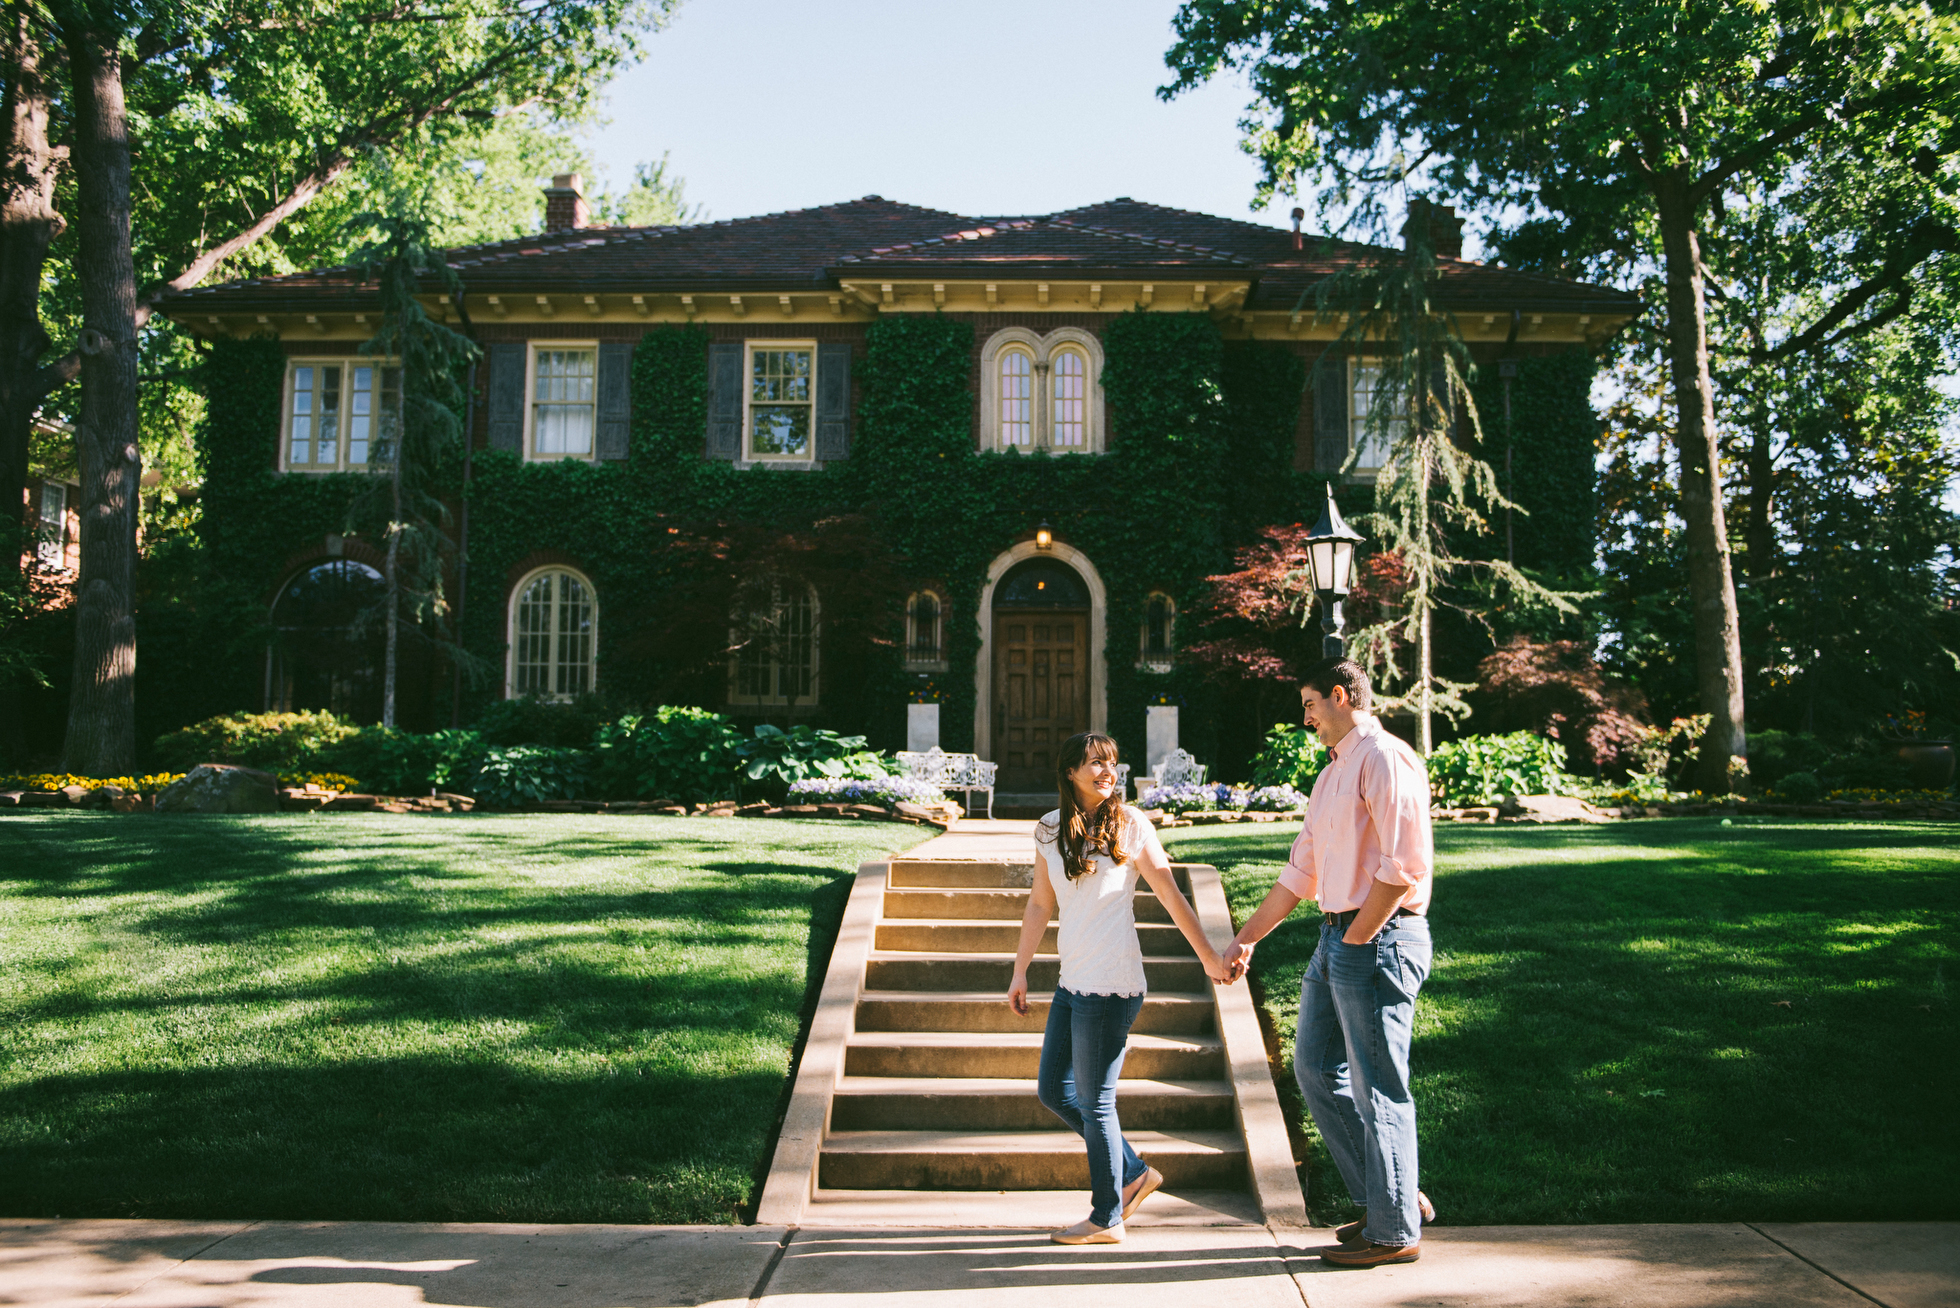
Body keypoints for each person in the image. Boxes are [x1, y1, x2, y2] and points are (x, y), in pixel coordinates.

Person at [1223, 657, 1436, 1267]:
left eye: (1310, 704)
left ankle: (1393, 1232)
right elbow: (1301, 873)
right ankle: (1386, 1199)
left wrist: (1357, 939)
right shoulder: (1331, 775)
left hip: (1379, 937)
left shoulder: (1385, 758)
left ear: (1340, 697)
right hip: (1338, 936)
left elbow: (1403, 868)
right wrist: (1247, 938)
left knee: (1379, 1088)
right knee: (1315, 1069)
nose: (1307, 717)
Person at [1008, 730, 1234, 1246]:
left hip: (1112, 983)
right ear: (1070, 772)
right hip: (1072, 980)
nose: (1107, 772)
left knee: (1096, 1100)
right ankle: (1133, 1173)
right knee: (1054, 1090)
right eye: (1094, 764)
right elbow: (1041, 904)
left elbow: (1172, 896)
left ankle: (1107, 1216)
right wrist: (1020, 970)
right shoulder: (1048, 830)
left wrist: (1211, 960)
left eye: (1111, 763)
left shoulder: (1132, 826)